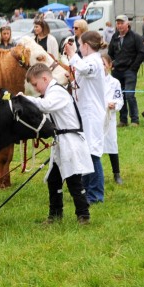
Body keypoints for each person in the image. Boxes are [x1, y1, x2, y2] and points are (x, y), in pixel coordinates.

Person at [23, 62, 92, 224]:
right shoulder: (51, 93)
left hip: (70, 142)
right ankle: (55, 215)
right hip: (61, 142)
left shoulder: (57, 92)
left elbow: (45, 106)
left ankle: (83, 216)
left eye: (35, 84)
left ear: (45, 78)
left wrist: (23, 99)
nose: (35, 89)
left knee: (74, 180)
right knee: (54, 180)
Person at [65, 32, 108, 204]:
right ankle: (85, 190)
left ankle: (96, 194)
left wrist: (72, 55)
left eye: (80, 44)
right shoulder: (88, 60)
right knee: (86, 152)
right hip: (85, 112)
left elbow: (84, 68)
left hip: (92, 113)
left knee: (92, 153)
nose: (79, 48)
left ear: (86, 45)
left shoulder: (94, 61)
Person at [107, 15, 144, 127]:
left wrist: (134, 67)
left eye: (121, 23)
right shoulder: (114, 37)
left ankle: (134, 119)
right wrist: (111, 64)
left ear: (127, 24)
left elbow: (142, 53)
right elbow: (110, 53)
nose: (119, 26)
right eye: (118, 23)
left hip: (130, 71)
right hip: (116, 71)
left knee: (129, 94)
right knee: (120, 95)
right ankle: (123, 120)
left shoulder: (135, 37)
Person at [102, 53, 125, 185]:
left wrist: (114, 105)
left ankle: (116, 173)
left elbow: (119, 99)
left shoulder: (115, 82)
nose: (102, 67)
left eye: (104, 64)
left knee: (111, 143)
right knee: (93, 147)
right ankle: (91, 174)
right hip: (95, 118)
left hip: (109, 118)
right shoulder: (93, 82)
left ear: (110, 65)